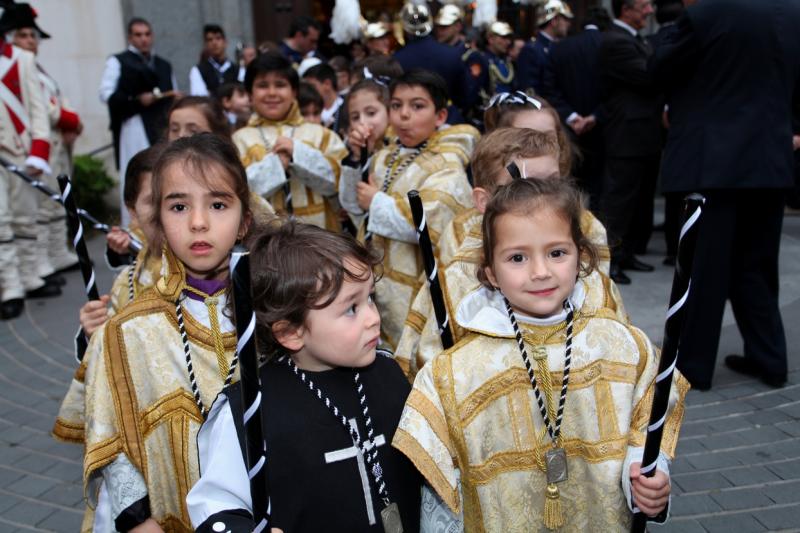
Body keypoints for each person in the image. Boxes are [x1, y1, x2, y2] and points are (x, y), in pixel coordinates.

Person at [395, 177, 689, 531]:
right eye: (517, 257)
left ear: (581, 255)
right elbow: (441, 492)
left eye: (557, 253)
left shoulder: (623, 347)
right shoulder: (453, 373)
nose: (540, 272)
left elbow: (646, 427)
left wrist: (646, 478)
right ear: (491, 271)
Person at [187, 221, 422, 532]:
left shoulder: (390, 375)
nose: (372, 317)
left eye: (370, 298)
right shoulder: (249, 410)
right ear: (291, 332)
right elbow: (216, 505)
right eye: (351, 308)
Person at [82, 133, 253, 531]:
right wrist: (138, 520)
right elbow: (111, 439)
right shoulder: (128, 330)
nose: (198, 222)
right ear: (157, 222)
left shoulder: (278, 314)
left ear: (244, 220)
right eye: (179, 206)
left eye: (218, 204)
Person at [395, 120, 619, 380]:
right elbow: (428, 360)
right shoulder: (455, 279)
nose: (540, 198)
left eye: (552, 184)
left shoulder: (585, 269)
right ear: (484, 201)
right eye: (521, 187)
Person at [651, 0, 800, 390]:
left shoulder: (706, 13)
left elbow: (659, 67)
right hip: (768, 160)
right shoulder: (792, 13)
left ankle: (694, 368)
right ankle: (770, 360)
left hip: (712, 162)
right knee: (758, 267)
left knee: (704, 269)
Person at [339, 69, 475, 350]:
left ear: (440, 116)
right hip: (378, 277)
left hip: (417, 283)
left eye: (417, 106)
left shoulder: (448, 163)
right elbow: (355, 209)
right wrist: (356, 158)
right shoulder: (386, 154)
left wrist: (375, 201)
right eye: (396, 105)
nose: (403, 115)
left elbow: (430, 224)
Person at [53, 145, 164, 461]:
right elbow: (105, 358)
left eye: (178, 202)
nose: (164, 212)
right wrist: (93, 334)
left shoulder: (209, 275)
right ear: (132, 210)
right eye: (151, 201)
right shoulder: (127, 279)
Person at [7, 3, 81, 280]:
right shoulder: (16, 70)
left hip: (54, 146)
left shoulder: (37, 70)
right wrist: (71, 119)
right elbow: (48, 110)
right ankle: (36, 266)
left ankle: (55, 255)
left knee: (53, 204)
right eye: (23, 35)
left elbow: (56, 102)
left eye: (32, 36)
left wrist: (69, 119)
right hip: (34, 146)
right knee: (34, 209)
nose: (29, 41)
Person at [233, 51, 347, 230]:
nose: (272, 93)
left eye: (280, 85)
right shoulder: (239, 139)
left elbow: (342, 185)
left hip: (319, 240)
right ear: (250, 94)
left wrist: (298, 154)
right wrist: (276, 165)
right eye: (262, 85)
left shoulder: (321, 135)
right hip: (264, 242)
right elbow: (235, 194)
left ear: (294, 91)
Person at [0, 4, 60, 321]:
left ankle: (27, 276)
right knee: (0, 221)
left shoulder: (22, 60)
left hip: (18, 151)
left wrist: (39, 151)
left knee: (24, 218)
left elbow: (39, 112)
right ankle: (10, 286)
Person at [598, 0, 661, 285]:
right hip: (626, 135)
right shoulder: (616, 41)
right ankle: (610, 261)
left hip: (641, 134)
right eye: (644, 6)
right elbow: (650, 76)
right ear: (626, 9)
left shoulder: (632, 39)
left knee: (635, 199)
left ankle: (626, 254)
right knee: (619, 201)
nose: (649, 11)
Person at [99, 17, 178, 224]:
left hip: (161, 127)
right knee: (137, 173)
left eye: (147, 34)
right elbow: (106, 94)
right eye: (138, 35)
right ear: (130, 37)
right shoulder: (118, 61)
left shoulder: (163, 64)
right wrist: (135, 101)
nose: (143, 39)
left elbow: (172, 91)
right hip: (133, 126)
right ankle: (135, 227)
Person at [541, 6, 611, 209]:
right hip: (602, 130)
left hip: (569, 129)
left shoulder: (560, 48)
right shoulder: (610, 44)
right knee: (598, 187)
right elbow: (615, 91)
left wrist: (572, 117)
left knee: (568, 184)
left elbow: (549, 89)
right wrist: (594, 116)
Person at [393, 2, 469, 125]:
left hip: (411, 123)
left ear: (405, 28)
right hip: (449, 120)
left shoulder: (397, 58)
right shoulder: (452, 54)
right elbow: (464, 97)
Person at [434, 5, 489, 130]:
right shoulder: (437, 53)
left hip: (463, 119)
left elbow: (470, 94)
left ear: (458, 26)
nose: (440, 31)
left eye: (445, 27)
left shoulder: (470, 56)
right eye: (438, 27)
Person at [516, 0, 573, 95]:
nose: (568, 24)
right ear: (554, 21)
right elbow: (529, 91)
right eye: (565, 19)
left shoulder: (559, 47)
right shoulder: (531, 50)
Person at [189, 24, 241, 97]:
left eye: (218, 38)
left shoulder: (239, 70)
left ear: (225, 42)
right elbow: (200, 98)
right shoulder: (198, 71)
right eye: (210, 40)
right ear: (205, 45)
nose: (214, 43)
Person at [302, 63, 344, 131]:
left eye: (312, 86)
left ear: (327, 84)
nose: (308, 91)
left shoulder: (347, 110)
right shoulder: (304, 109)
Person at [483, 21, 516, 95]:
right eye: (503, 37)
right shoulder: (482, 60)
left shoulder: (508, 61)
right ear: (491, 39)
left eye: (509, 38)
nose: (508, 42)